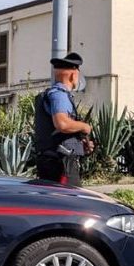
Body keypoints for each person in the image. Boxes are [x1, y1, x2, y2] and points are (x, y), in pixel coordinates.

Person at [33, 52, 93, 184]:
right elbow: (62, 124)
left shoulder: (54, 94)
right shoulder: (59, 95)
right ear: (73, 74)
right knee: (71, 202)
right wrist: (85, 126)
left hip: (55, 162)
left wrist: (79, 144)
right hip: (61, 164)